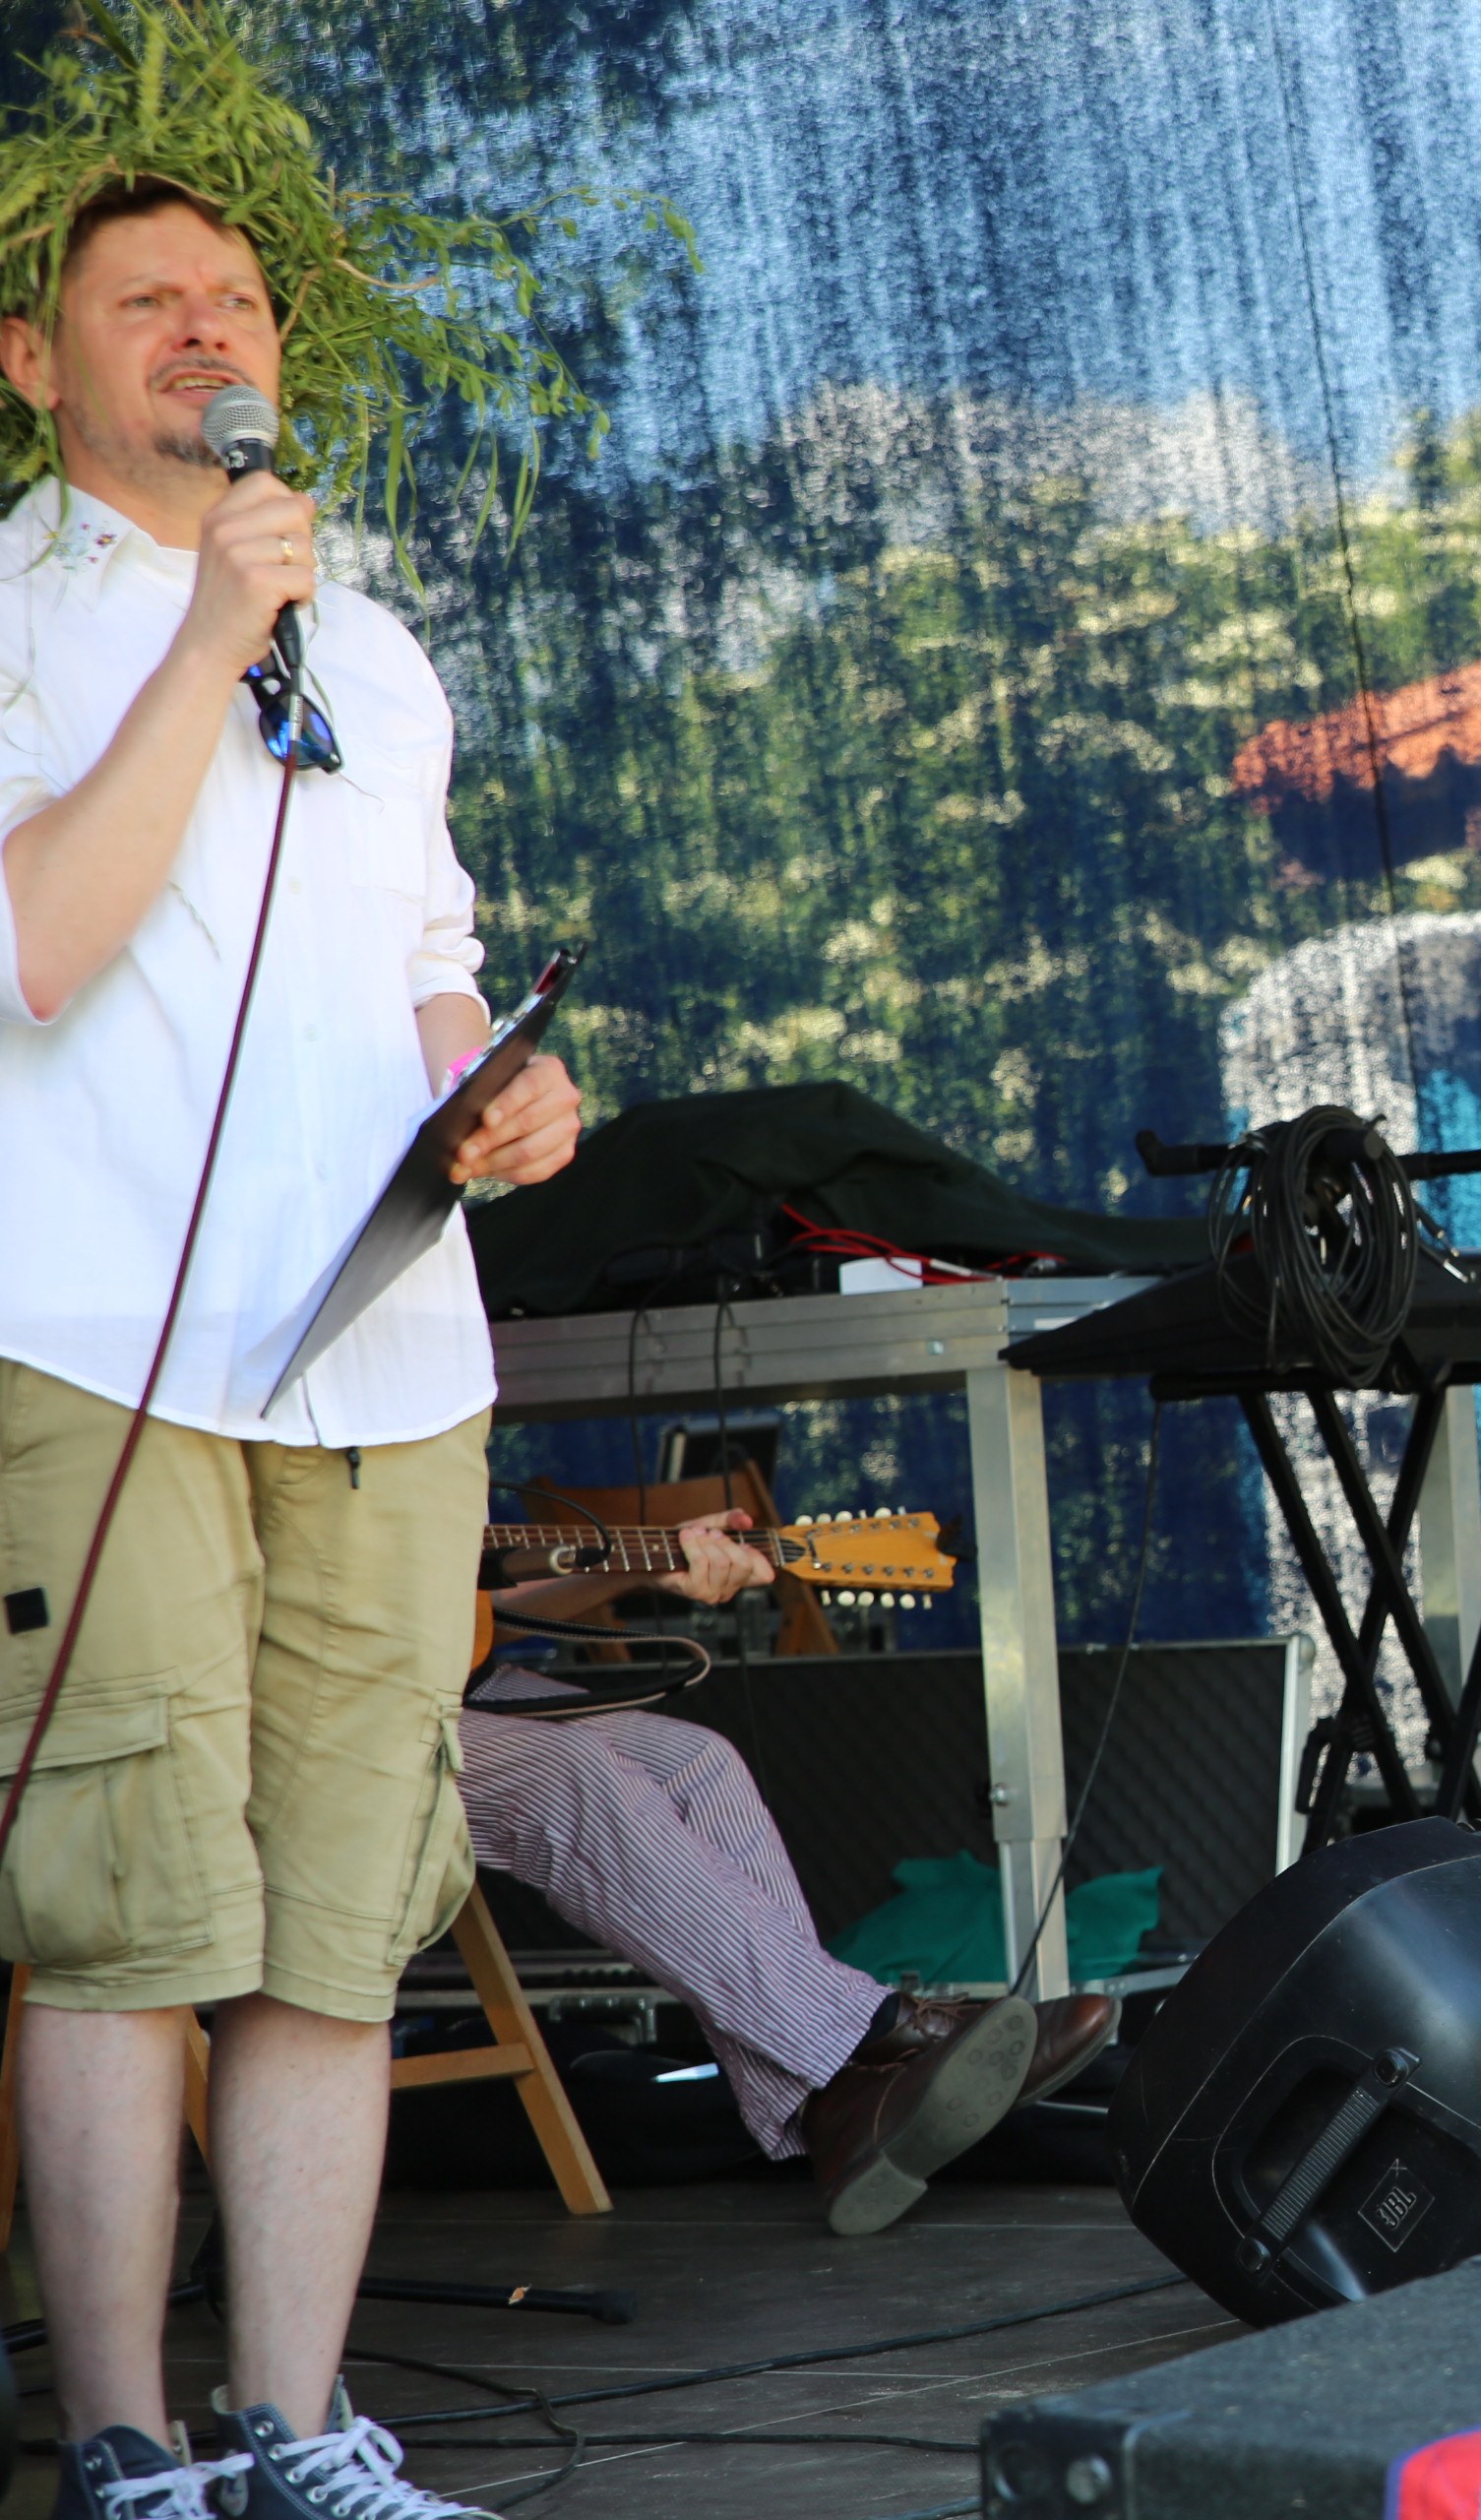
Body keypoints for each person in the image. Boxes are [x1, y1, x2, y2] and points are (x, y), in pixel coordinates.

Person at [0, 149, 583, 2520]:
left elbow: (420, 962)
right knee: (127, 1910)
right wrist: (201, 636)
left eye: (233, 298)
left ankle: (297, 2421)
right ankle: (124, 2438)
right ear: (33, 363)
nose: (206, 328)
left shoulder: (379, 649)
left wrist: (501, 1089)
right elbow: (38, 944)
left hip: (384, 1356)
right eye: (147, 299)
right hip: (103, 1346)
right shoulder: (23, 620)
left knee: (341, 1917)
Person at [462, 1510, 1116, 2235]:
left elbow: (480, 1601)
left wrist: (646, 1563)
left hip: (454, 1686)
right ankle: (875, 2036)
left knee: (698, 1763)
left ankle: (829, 2104)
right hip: (362, 1719)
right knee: (575, 1772)